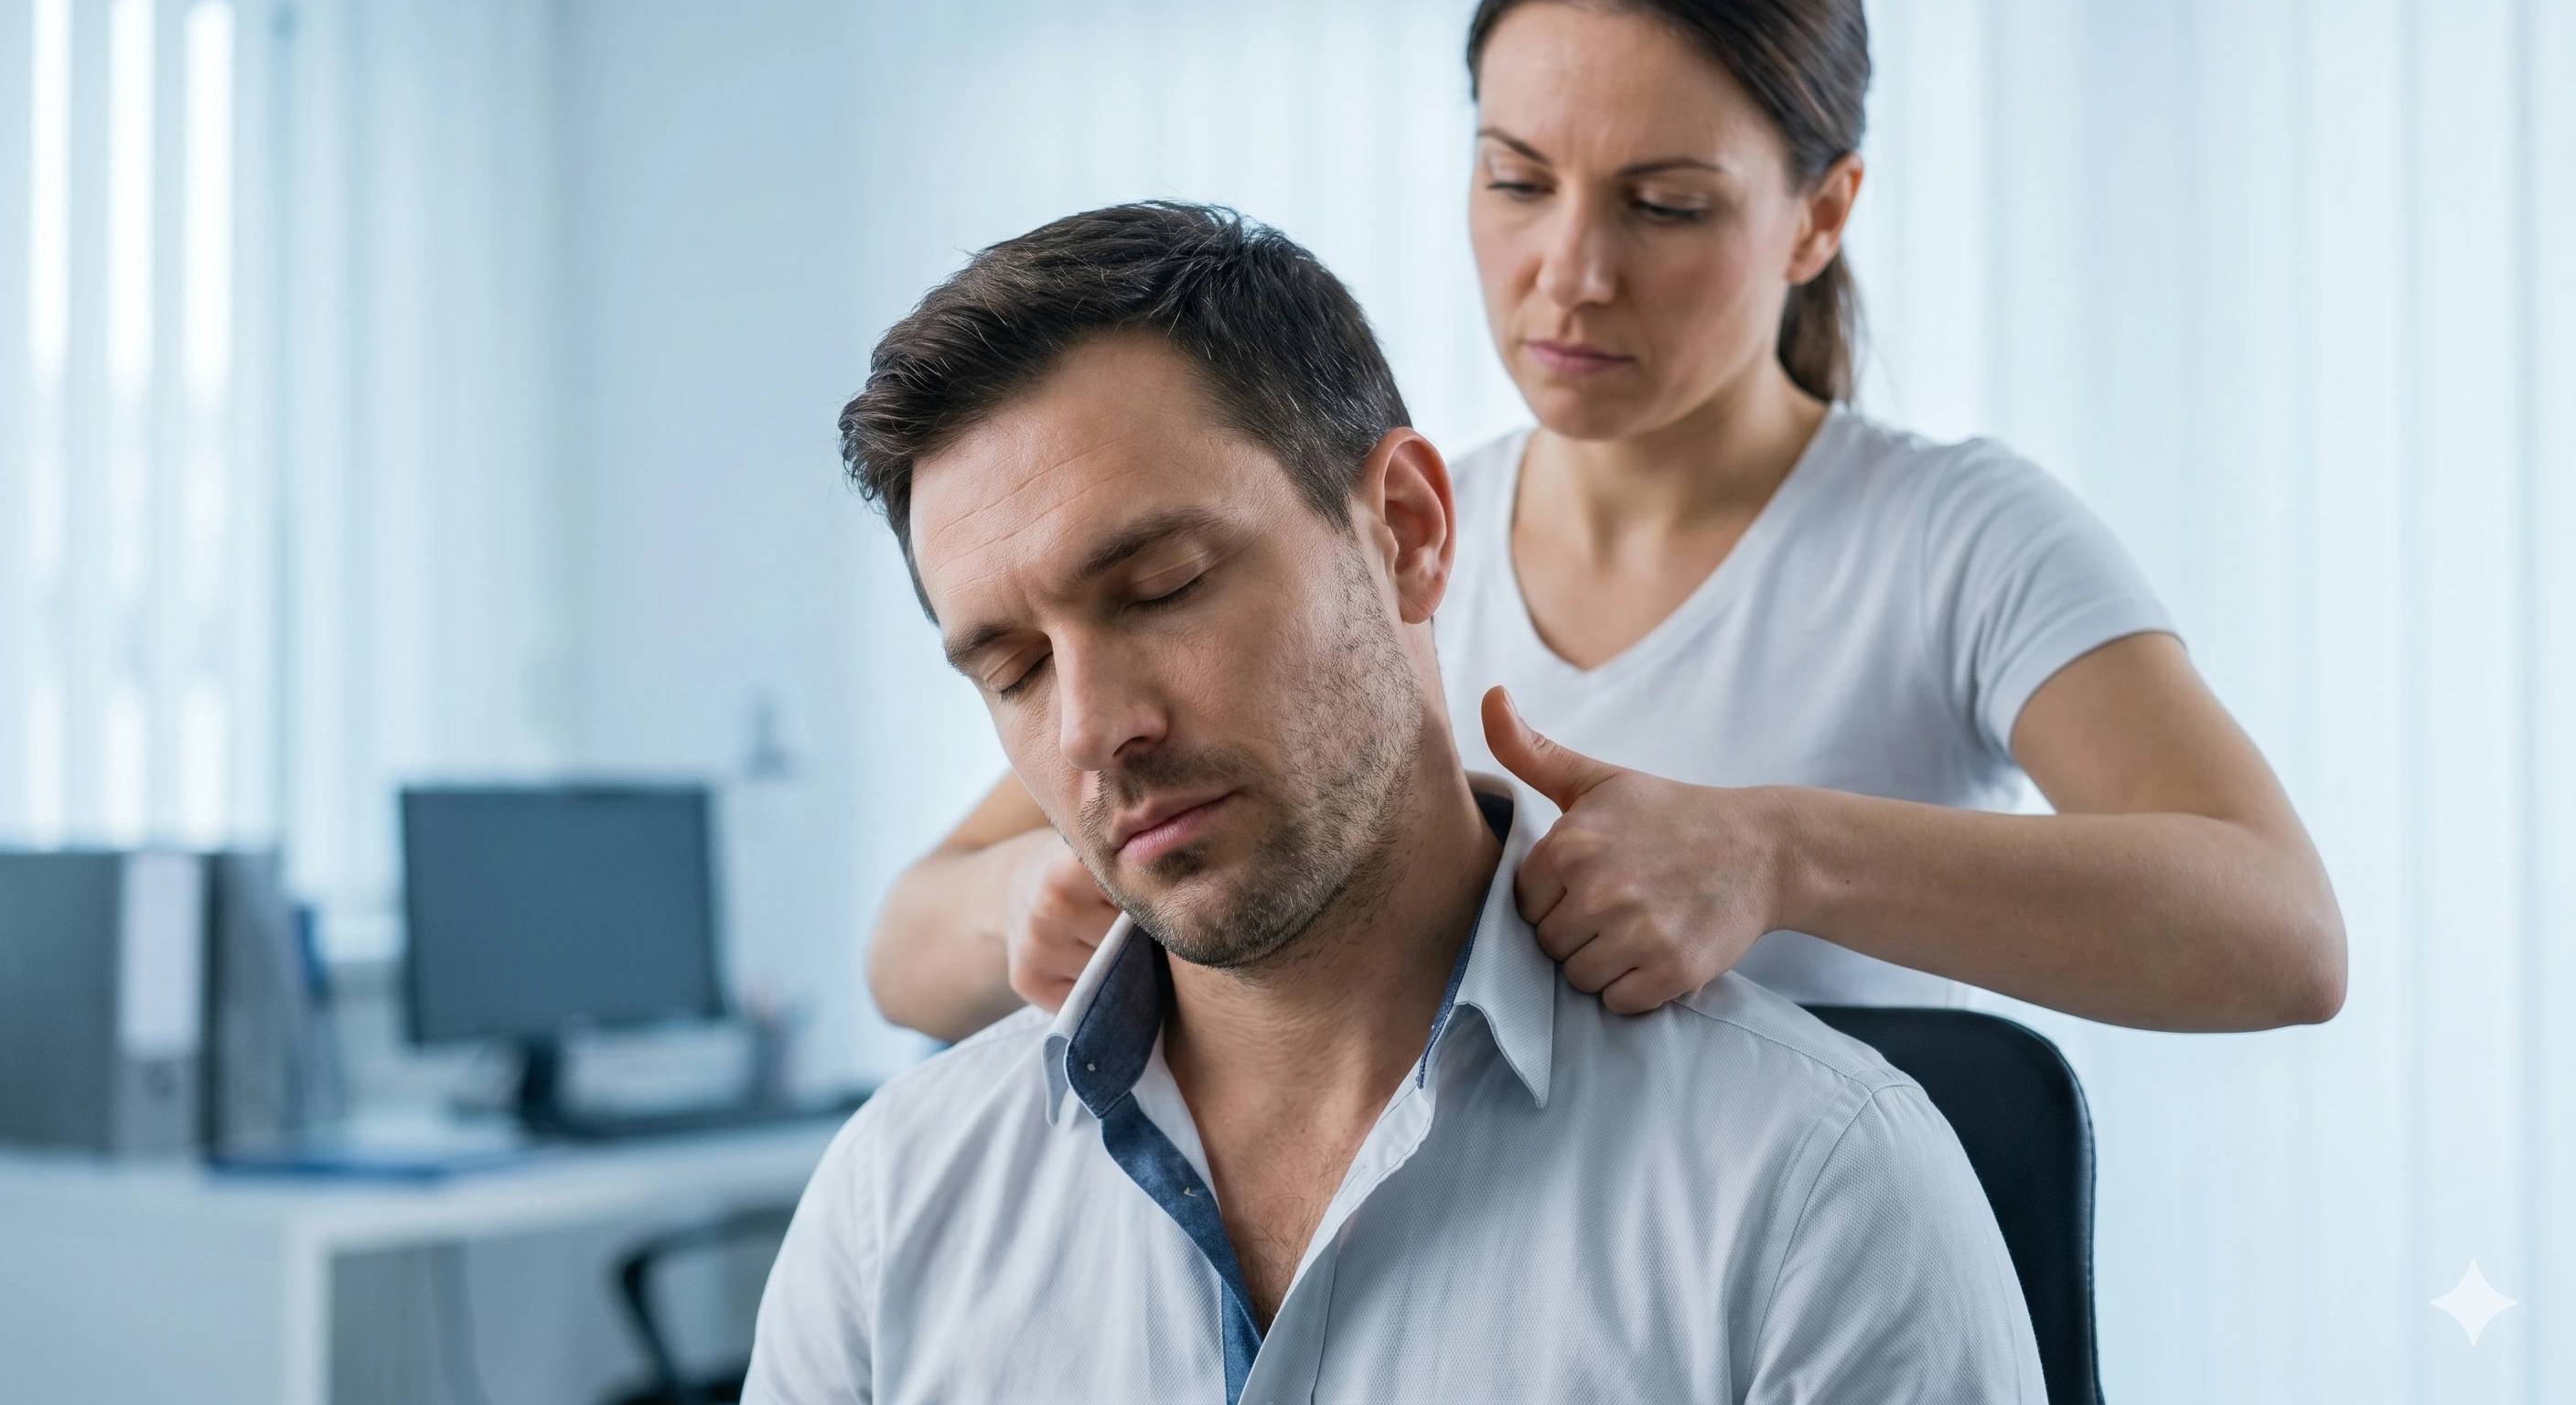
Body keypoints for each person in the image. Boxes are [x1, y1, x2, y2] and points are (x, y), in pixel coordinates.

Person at [747, 201, 2042, 1404]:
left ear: (1410, 531)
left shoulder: (1816, 1187)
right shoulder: (889, 1210)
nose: (1094, 733)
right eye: (1016, 669)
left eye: (1164, 587)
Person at [863, 0, 2345, 1043]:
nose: (1567, 272)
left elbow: (2279, 931)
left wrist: (1784, 858)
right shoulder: (1371, 547)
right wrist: (1022, 903)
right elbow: (903, 948)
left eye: (1666, 206)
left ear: (1819, 216)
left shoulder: (1961, 539)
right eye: (1517, 182)